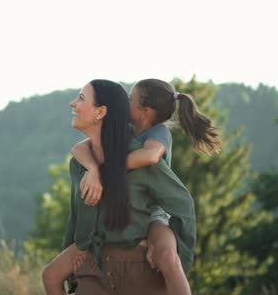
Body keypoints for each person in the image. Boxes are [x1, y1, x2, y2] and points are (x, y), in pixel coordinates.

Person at [41, 80, 196, 294]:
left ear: (101, 112)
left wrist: (177, 249)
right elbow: (76, 217)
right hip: (94, 257)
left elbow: (182, 203)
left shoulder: (148, 149)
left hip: (154, 223)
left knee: (167, 256)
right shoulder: (80, 163)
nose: (72, 104)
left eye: (81, 98)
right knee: (49, 275)